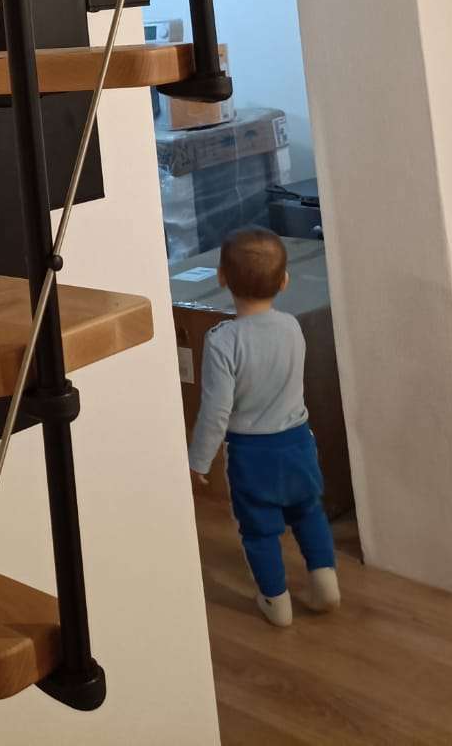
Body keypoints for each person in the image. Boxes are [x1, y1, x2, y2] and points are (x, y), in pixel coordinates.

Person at [187, 226, 340, 627]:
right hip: (299, 442)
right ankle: (324, 578)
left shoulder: (223, 341)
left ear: (222, 277)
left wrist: (198, 460)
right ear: (285, 281)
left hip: (251, 453)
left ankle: (276, 600)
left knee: (258, 530)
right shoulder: (292, 326)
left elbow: (216, 410)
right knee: (308, 511)